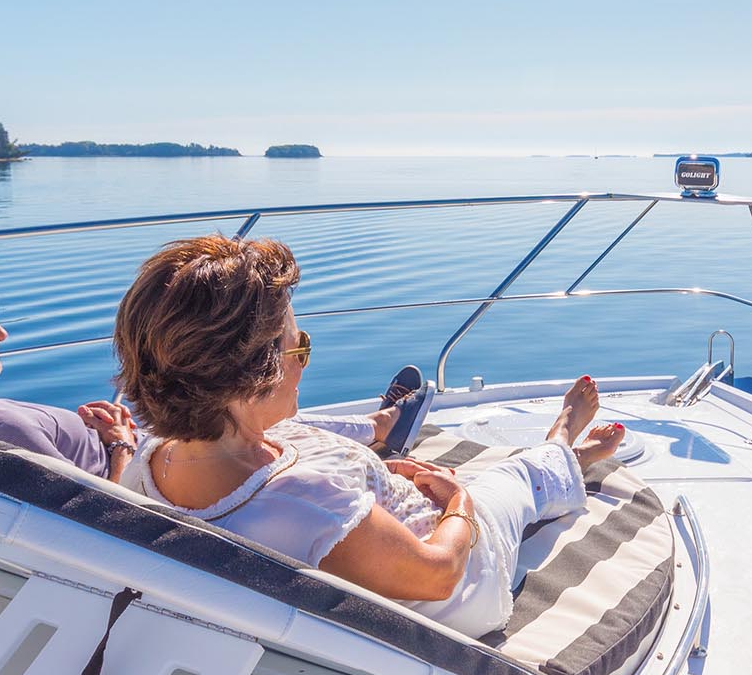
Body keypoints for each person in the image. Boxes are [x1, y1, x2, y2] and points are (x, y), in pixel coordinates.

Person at [113, 234, 623, 638]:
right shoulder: (308, 506)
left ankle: (388, 429)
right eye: (299, 349)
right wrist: (459, 501)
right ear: (250, 377)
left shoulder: (152, 459)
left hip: (374, 521)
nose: (305, 364)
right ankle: (562, 447)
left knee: (300, 429)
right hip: (461, 584)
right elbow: (440, 572)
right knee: (510, 479)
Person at [0, 228, 430, 483]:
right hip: (143, 467)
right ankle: (380, 429)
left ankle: (377, 427)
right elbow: (106, 517)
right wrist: (123, 445)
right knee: (224, 413)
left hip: (118, 443)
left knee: (223, 407)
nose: (0, 331)